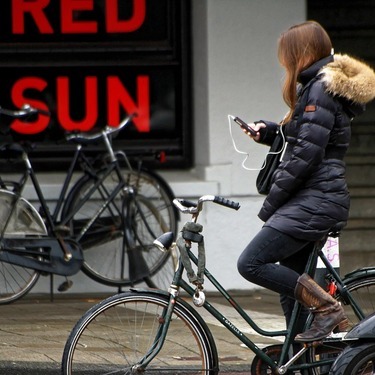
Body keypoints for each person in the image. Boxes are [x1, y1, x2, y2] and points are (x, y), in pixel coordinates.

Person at [237, 20, 375, 342]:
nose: (284, 62)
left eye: (286, 55)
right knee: (293, 295)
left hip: (316, 198)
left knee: (251, 263)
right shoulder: (316, 86)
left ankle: (327, 308)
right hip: (315, 196)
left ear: (301, 52)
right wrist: (270, 132)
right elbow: (307, 138)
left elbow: (306, 156)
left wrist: (272, 203)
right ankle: (309, 362)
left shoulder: (320, 88)